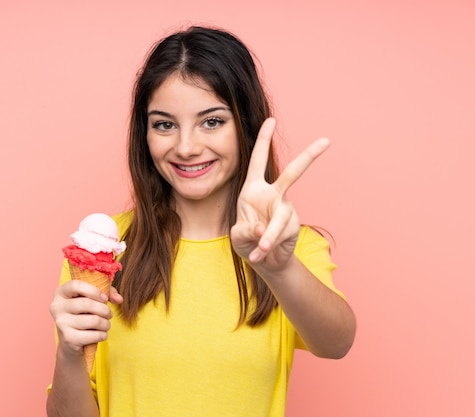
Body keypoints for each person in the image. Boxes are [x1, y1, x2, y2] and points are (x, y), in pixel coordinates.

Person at [47, 26, 356, 417]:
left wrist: (279, 267)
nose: (187, 147)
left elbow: (337, 343)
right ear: (144, 134)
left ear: (244, 125)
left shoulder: (285, 246)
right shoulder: (103, 250)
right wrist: (70, 351)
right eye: (164, 124)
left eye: (211, 121)